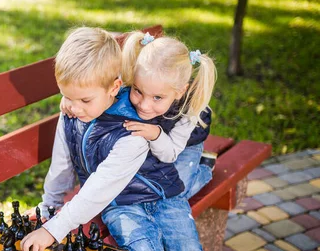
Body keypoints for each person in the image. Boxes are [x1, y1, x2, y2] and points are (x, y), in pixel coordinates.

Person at [20, 27, 220, 251]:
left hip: (161, 196)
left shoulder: (130, 129)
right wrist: (48, 206)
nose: (72, 108)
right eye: (67, 97)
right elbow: (62, 163)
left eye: (84, 101)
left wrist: (53, 230)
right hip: (121, 203)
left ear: (114, 88)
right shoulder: (71, 112)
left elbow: (98, 188)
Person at [60, 30, 216, 199]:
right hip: (157, 143)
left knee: (179, 192)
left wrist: (156, 135)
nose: (144, 105)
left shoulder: (188, 115)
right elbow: (94, 82)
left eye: (157, 97)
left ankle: (205, 169)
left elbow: (170, 154)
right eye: (138, 91)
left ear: (179, 92)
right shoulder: (135, 77)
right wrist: (71, 100)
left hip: (182, 145)